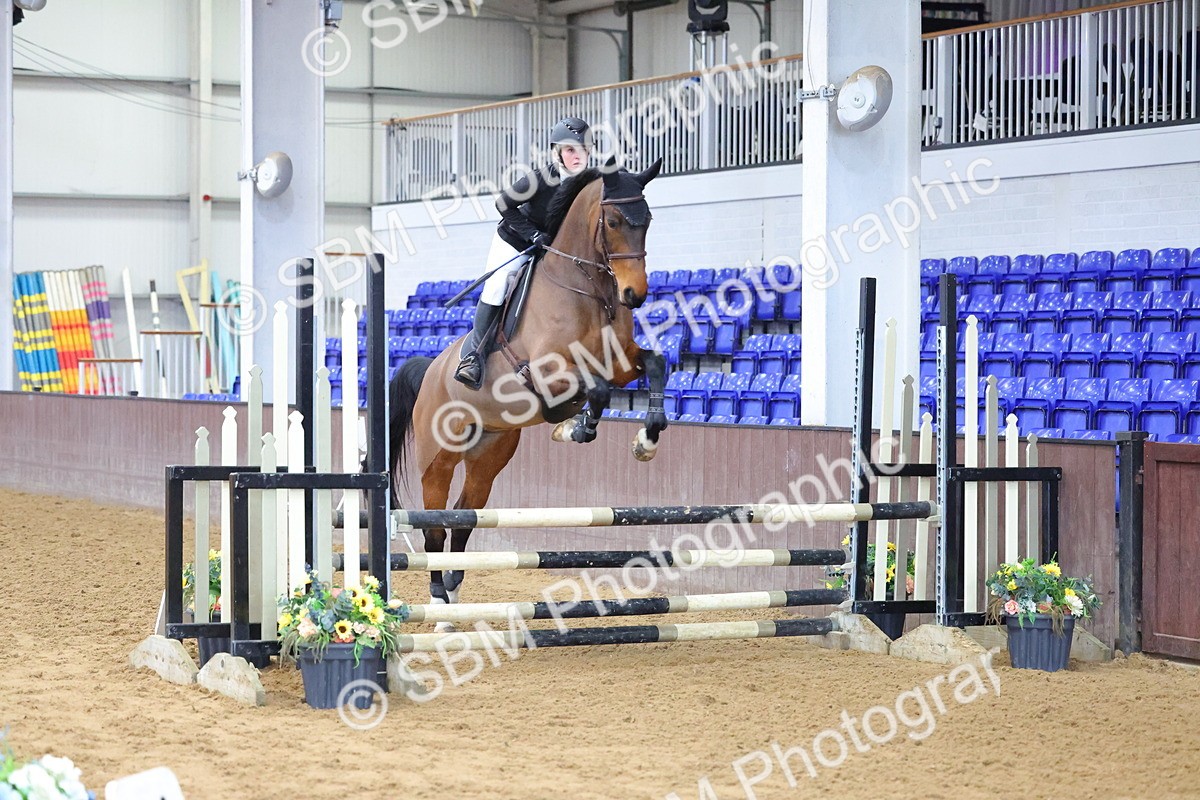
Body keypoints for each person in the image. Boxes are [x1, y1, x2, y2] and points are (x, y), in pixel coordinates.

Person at [454, 116, 593, 389]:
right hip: (516, 242)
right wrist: (532, 234)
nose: (578, 156)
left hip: (552, 251)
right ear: (557, 152)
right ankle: (474, 357)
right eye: (570, 150)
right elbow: (503, 204)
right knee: (497, 287)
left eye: (583, 150)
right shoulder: (540, 179)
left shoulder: (589, 185)